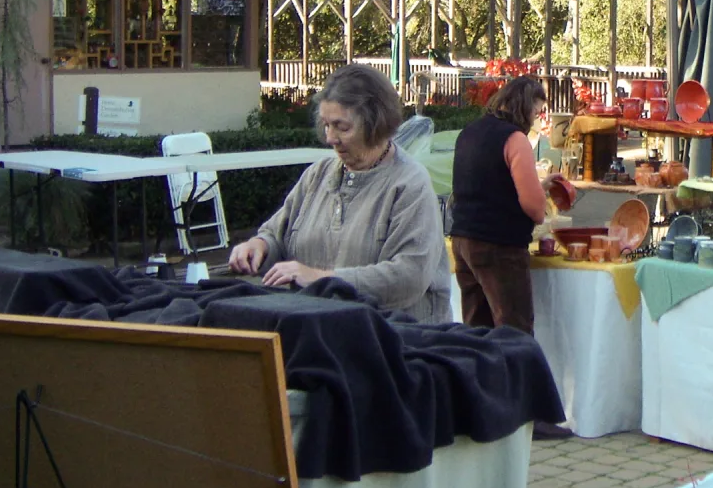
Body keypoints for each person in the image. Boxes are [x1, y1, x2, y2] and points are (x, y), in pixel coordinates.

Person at [227, 64, 451, 319]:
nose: (330, 138)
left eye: (342, 127)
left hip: (397, 339)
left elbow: (409, 276)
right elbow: (277, 235)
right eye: (326, 125)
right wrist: (259, 246)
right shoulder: (317, 175)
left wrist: (321, 279)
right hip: (321, 330)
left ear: (375, 125)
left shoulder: (409, 183)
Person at [448, 75, 549, 332]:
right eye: (535, 112)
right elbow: (535, 209)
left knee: (476, 331)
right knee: (514, 333)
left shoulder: (469, 132)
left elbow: (487, 184)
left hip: (462, 240)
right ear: (525, 106)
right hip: (499, 245)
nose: (535, 119)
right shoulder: (515, 139)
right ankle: (516, 374)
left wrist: (543, 186)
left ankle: (477, 374)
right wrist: (542, 196)